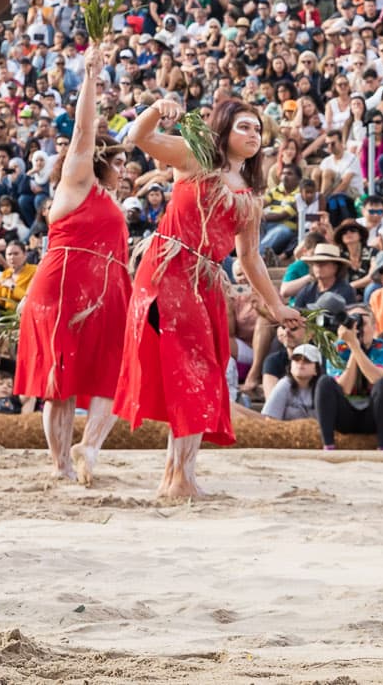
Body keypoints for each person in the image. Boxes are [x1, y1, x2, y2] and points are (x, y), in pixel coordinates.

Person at [115, 92, 303, 501]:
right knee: (190, 371)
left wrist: (275, 306)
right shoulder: (195, 158)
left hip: (205, 280)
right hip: (169, 267)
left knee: (204, 373)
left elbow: (250, 258)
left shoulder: (251, 195)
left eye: (257, 129)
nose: (254, 135)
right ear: (224, 130)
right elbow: (139, 138)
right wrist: (156, 109)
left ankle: (178, 476)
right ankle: (178, 478)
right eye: (244, 127)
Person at [16, 39, 130, 484]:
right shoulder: (77, 180)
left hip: (106, 291)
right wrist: (90, 77)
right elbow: (84, 131)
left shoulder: (109, 198)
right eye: (119, 161)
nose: (125, 169)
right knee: (58, 386)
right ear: (102, 160)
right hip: (66, 283)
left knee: (114, 373)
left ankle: (90, 449)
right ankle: (61, 466)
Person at [310, 296, 383, 450]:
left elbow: (376, 378)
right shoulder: (337, 348)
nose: (357, 329)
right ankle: (328, 445)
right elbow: (344, 388)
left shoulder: (382, 347)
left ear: (374, 327)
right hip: (346, 417)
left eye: (362, 324)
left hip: (374, 418)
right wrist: (352, 345)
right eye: (353, 324)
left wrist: (356, 347)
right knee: (325, 382)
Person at [260, 343, 322, 422]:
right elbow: (271, 420)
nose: (301, 363)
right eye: (296, 359)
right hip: (286, 433)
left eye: (307, 360)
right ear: (290, 366)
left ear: (316, 370)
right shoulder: (284, 384)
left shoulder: (322, 387)